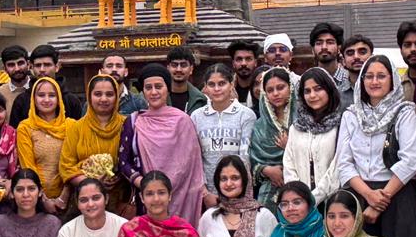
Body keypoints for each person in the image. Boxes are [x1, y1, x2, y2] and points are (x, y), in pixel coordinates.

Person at [334, 53, 416, 237]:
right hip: (359, 196)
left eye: (381, 76)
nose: (375, 81)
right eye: (369, 76)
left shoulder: (404, 112)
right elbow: (344, 163)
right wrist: (368, 195)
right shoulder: (351, 115)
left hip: (397, 195)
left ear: (392, 80)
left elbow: (410, 160)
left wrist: (379, 201)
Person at [119, 64, 204, 225]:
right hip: (145, 200)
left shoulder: (183, 121)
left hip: (181, 196)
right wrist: (144, 184)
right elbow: (123, 161)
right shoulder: (134, 121)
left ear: (167, 88)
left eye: (158, 87)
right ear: (143, 92)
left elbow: (191, 166)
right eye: (148, 88)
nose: (154, 92)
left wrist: (165, 188)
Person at [61, 74, 131, 215]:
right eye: (98, 94)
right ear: (89, 96)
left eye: (109, 94)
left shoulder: (127, 125)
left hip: (119, 199)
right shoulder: (76, 128)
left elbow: (134, 160)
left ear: (117, 97)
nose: (103, 99)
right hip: (85, 201)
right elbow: (66, 166)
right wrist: (91, 182)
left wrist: (120, 176)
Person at [191, 63, 257, 209]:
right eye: (211, 84)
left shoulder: (246, 115)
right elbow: (195, 158)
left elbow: (245, 157)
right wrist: (205, 193)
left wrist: (238, 192)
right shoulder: (196, 116)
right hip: (208, 194)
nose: (216, 89)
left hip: (238, 190)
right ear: (205, 87)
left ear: (231, 84)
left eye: (222, 83)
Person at [283, 68, 343, 205]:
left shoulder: (340, 125)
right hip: (299, 204)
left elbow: (337, 168)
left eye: (318, 89)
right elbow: (288, 164)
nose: (312, 95)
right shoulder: (296, 127)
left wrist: (312, 199)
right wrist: (298, 197)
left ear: (329, 90)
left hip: (332, 201)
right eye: (307, 91)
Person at [16, 76, 74, 213]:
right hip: (36, 200)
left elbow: (75, 163)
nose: (46, 100)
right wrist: (44, 200)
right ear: (33, 99)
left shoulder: (71, 126)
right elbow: (28, 167)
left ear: (59, 99)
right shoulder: (25, 128)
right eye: (41, 95)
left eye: (52, 95)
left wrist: (64, 196)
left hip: (71, 197)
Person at [250, 67, 294, 211]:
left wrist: (290, 146)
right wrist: (266, 170)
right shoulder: (259, 126)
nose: (275, 93)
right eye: (270, 90)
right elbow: (252, 160)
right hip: (269, 190)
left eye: (280, 87)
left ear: (291, 88)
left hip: (301, 185)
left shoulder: (302, 121)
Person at [10, 45, 85, 127]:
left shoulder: (71, 101)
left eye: (47, 65)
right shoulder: (21, 101)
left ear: (57, 67)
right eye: (38, 65)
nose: (42, 69)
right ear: (31, 67)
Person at [309, 21, 348, 93]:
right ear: (313, 50)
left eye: (330, 42)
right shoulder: (306, 81)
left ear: (339, 48)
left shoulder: (350, 79)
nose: (324, 47)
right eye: (319, 43)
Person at [166, 46, 207, 113]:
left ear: (191, 69)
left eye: (183, 65)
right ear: (168, 68)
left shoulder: (200, 100)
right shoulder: (158, 97)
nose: (178, 69)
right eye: (174, 65)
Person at [338, 34, 374, 107]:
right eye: (350, 53)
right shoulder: (336, 95)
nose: (356, 57)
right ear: (343, 61)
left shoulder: (384, 89)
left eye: (362, 52)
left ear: (372, 58)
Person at [227, 40, 260, 104]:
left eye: (248, 59)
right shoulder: (225, 90)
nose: (243, 63)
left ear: (255, 62)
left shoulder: (263, 89)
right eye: (239, 59)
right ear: (233, 63)